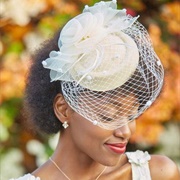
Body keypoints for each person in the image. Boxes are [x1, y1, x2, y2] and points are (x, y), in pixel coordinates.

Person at [10, 0, 180, 179]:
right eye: (108, 116)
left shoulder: (157, 173)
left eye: (131, 116)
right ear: (63, 109)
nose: (125, 132)